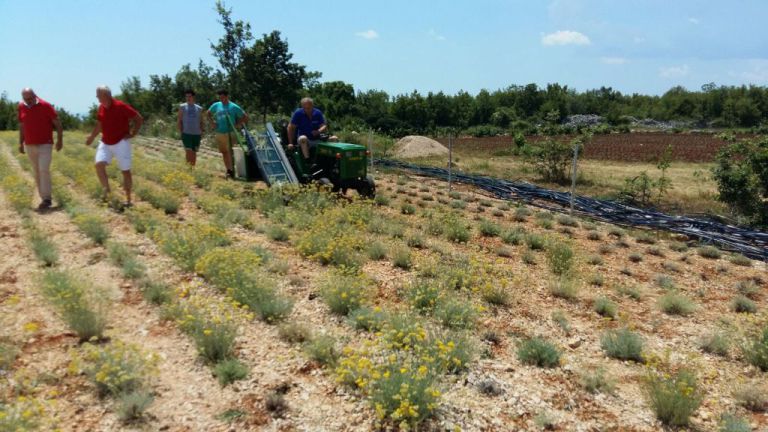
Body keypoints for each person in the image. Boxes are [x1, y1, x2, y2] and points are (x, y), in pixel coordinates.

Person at [85, 85, 143, 206]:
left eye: (99, 96)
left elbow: (138, 118)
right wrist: (91, 137)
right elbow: (99, 125)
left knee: (125, 171)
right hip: (105, 142)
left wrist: (133, 133)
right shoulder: (101, 108)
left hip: (121, 142)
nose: (97, 98)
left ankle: (128, 199)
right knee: (99, 165)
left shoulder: (120, 106)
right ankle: (107, 193)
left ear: (106, 95)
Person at [17, 88, 63, 210]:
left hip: (45, 144)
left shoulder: (45, 105)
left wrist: (60, 140)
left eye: (30, 98)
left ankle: (47, 199)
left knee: (43, 170)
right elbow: (22, 126)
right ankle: (43, 197)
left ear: (35, 95)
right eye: (26, 99)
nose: (29, 101)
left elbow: (57, 123)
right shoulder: (21, 107)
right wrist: (20, 142)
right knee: (37, 171)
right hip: (30, 144)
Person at [207, 89, 247, 178]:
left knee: (230, 151)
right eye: (220, 97)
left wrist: (237, 124)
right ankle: (228, 170)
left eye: (223, 97)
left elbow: (245, 116)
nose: (221, 99)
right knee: (224, 152)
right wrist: (212, 123)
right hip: (220, 132)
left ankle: (232, 170)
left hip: (230, 132)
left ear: (227, 96)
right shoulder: (216, 105)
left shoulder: (233, 106)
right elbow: (208, 113)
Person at [287, 97, 337, 163]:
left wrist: (318, 131)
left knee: (335, 138)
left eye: (309, 108)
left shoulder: (317, 113)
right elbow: (290, 127)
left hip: (317, 139)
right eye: (305, 108)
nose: (307, 110)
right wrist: (290, 143)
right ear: (302, 107)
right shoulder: (298, 113)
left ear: (312, 106)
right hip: (305, 140)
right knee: (303, 138)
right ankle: (308, 160)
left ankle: (333, 161)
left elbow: (324, 126)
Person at [177, 89, 204, 166]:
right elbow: (179, 120)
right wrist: (181, 132)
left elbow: (201, 121)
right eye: (186, 96)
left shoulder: (199, 108)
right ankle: (188, 169)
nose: (188, 98)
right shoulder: (182, 107)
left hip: (196, 134)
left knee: (194, 152)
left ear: (193, 97)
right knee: (188, 151)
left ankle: (192, 169)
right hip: (186, 133)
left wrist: (201, 132)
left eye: (189, 96)